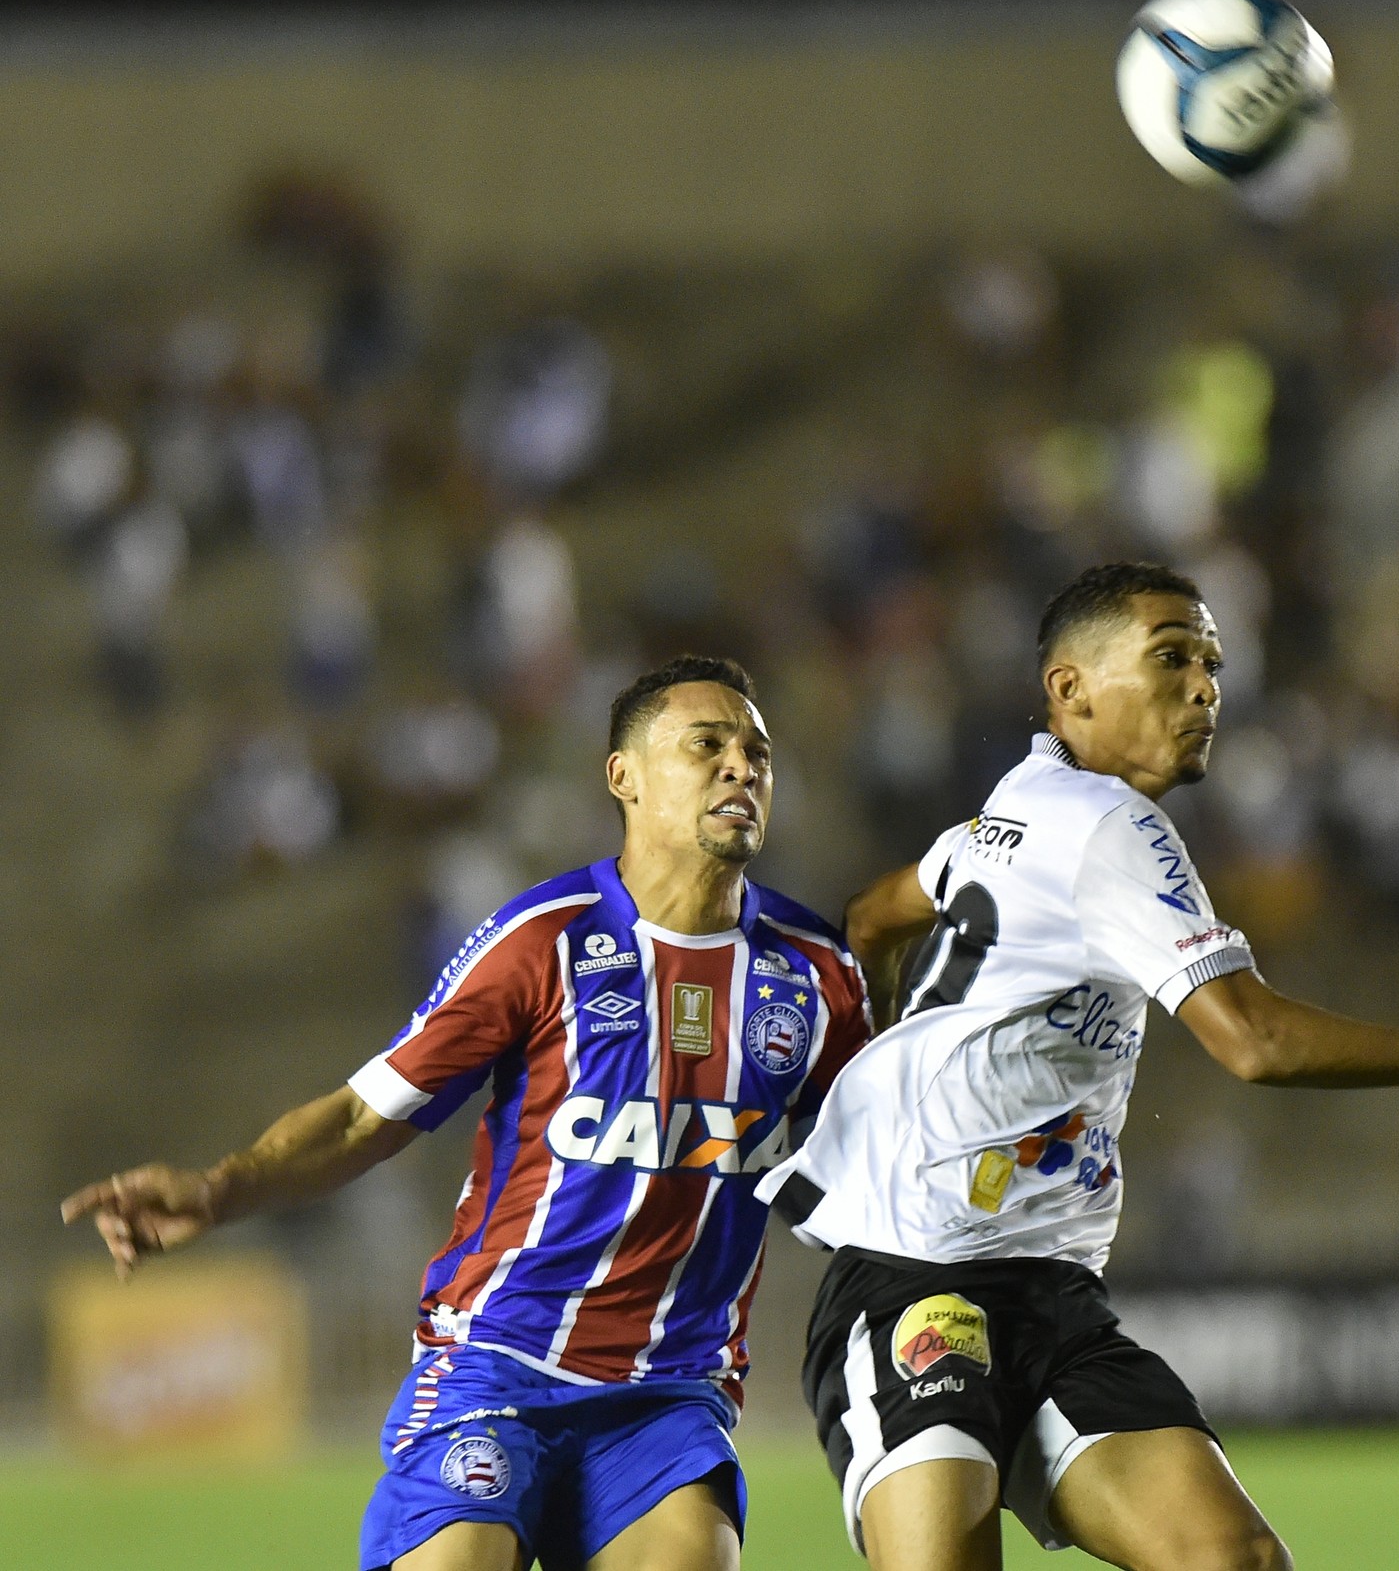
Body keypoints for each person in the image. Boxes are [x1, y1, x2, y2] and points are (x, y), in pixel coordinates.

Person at [757, 562, 1399, 1571]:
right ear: (1070, 690)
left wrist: (887, 1054)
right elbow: (1255, 1039)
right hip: (913, 1281)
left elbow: (875, 912)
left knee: (1230, 1554)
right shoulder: (1108, 826)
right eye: (1170, 657)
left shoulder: (1016, 804)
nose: (1204, 685)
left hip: (1048, 1290)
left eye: (1210, 661)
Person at [63, 655, 872, 1571]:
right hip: (497, 1364)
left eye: (757, 752)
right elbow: (367, 1119)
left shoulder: (816, 974)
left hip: (668, 1397)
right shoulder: (545, 938)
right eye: (708, 745)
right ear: (626, 776)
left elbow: (877, 1157)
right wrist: (218, 1189)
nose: (742, 767)